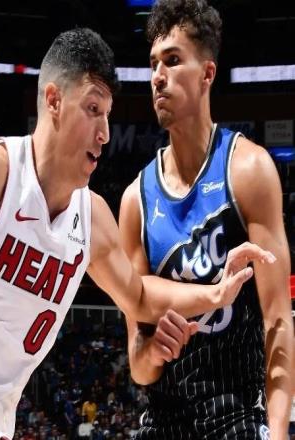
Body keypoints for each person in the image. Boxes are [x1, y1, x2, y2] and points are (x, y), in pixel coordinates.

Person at [0, 28, 272, 440]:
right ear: (54, 101)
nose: (105, 133)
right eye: (93, 109)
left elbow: (139, 295)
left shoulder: (93, 218)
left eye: (108, 115)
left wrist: (215, 294)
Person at [118, 1, 294, 439]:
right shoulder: (135, 201)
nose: (158, 76)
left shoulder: (249, 170)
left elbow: (277, 319)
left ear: (207, 74)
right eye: (154, 64)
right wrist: (153, 351)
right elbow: (138, 366)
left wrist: (277, 431)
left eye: (173, 60)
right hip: (163, 421)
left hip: (237, 416)